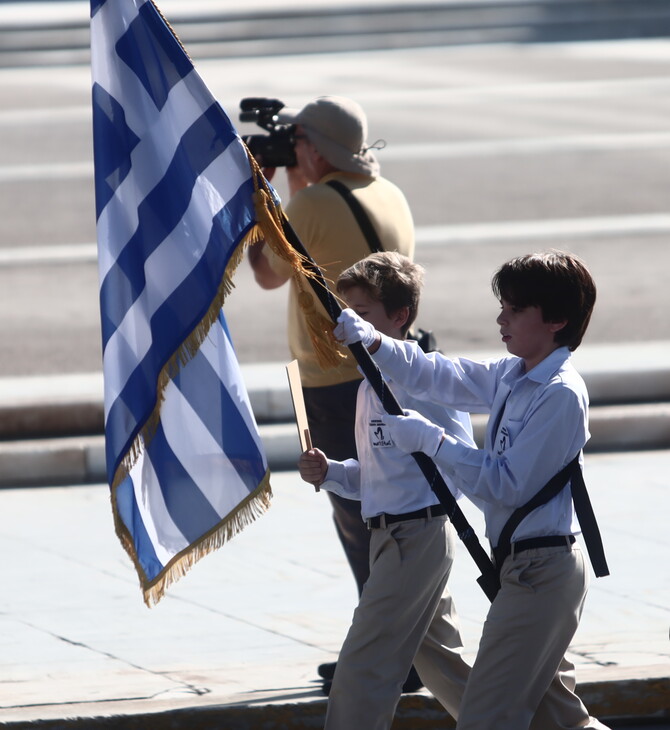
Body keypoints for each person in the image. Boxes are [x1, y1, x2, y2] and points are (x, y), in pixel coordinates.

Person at [333, 250, 611, 730]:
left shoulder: (560, 393)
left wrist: (434, 441)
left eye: (515, 309)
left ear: (557, 320)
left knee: (484, 718)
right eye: (502, 306)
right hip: (521, 567)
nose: (501, 319)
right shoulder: (514, 374)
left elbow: (505, 487)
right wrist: (377, 343)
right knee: (559, 722)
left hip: (541, 573)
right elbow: (440, 374)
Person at [247, 96, 416, 686]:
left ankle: (383, 657)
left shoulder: (313, 202)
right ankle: (403, 648)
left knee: (358, 517)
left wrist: (261, 190)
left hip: (334, 379)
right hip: (388, 369)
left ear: (312, 149)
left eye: (296, 145)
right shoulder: (388, 192)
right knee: (389, 514)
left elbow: (267, 273)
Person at [298, 251, 473, 729]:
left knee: (361, 668)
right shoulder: (366, 387)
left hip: (417, 536)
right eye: (346, 312)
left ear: (400, 317)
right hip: (388, 538)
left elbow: (462, 463)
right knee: (447, 670)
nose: (348, 324)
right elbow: (376, 475)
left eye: (364, 314)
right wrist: (331, 471)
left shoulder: (427, 378)